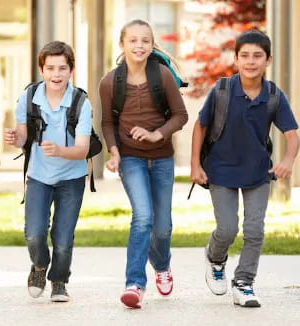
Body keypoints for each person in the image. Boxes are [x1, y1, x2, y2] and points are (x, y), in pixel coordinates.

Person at [190, 30, 299, 308]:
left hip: (258, 173)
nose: (251, 61)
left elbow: (292, 134)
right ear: (236, 59)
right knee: (227, 229)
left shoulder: (274, 95)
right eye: (245, 56)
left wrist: (287, 162)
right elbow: (200, 126)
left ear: (268, 60)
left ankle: (244, 283)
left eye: (257, 56)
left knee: (255, 230)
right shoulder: (223, 90)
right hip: (221, 171)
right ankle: (215, 258)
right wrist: (195, 165)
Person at [99, 19, 188, 308]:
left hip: (162, 157)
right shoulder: (110, 81)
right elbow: (107, 122)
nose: (139, 45)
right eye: (133, 40)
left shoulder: (162, 76)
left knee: (162, 227)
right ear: (122, 44)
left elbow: (180, 116)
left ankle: (162, 266)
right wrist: (114, 152)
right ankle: (135, 283)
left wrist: (156, 134)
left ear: (152, 45)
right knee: (143, 217)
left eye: (145, 41)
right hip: (131, 157)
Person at [4, 41, 91, 302]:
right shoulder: (29, 98)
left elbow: (83, 149)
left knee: (63, 239)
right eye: (50, 68)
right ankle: (40, 267)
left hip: (71, 179)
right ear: (42, 69)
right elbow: (22, 137)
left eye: (62, 68)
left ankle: (59, 281)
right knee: (34, 233)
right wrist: (15, 139)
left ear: (71, 70)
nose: (56, 74)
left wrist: (60, 151)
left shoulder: (81, 103)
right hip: (39, 176)